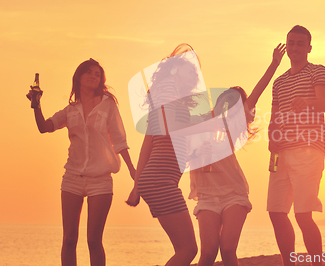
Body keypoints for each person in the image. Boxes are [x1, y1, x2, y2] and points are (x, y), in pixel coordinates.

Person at [26, 59, 135, 266]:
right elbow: (44, 127)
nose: (94, 76)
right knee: (68, 239)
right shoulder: (71, 110)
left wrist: (132, 170)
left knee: (94, 240)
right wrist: (36, 105)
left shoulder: (107, 104)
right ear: (79, 77)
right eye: (89, 72)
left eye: (97, 74)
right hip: (72, 178)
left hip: (101, 179)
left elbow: (120, 140)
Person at [189, 44, 286, 266]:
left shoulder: (234, 124)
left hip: (233, 192)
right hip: (206, 194)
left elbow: (258, 91)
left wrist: (273, 64)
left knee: (228, 248)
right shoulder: (201, 120)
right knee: (208, 252)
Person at [126, 45, 204, 266]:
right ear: (173, 72)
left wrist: (137, 186)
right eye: (189, 70)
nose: (194, 76)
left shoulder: (166, 103)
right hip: (160, 181)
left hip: (156, 180)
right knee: (188, 249)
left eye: (195, 73)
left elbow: (148, 145)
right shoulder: (167, 98)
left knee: (184, 249)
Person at [268, 25, 325, 266]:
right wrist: (271, 138)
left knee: (303, 215)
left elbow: (324, 103)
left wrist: (307, 101)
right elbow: (275, 116)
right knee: (276, 212)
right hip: (280, 152)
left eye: (299, 44)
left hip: (309, 149)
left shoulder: (318, 71)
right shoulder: (279, 82)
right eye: (290, 43)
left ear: (309, 48)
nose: (294, 47)